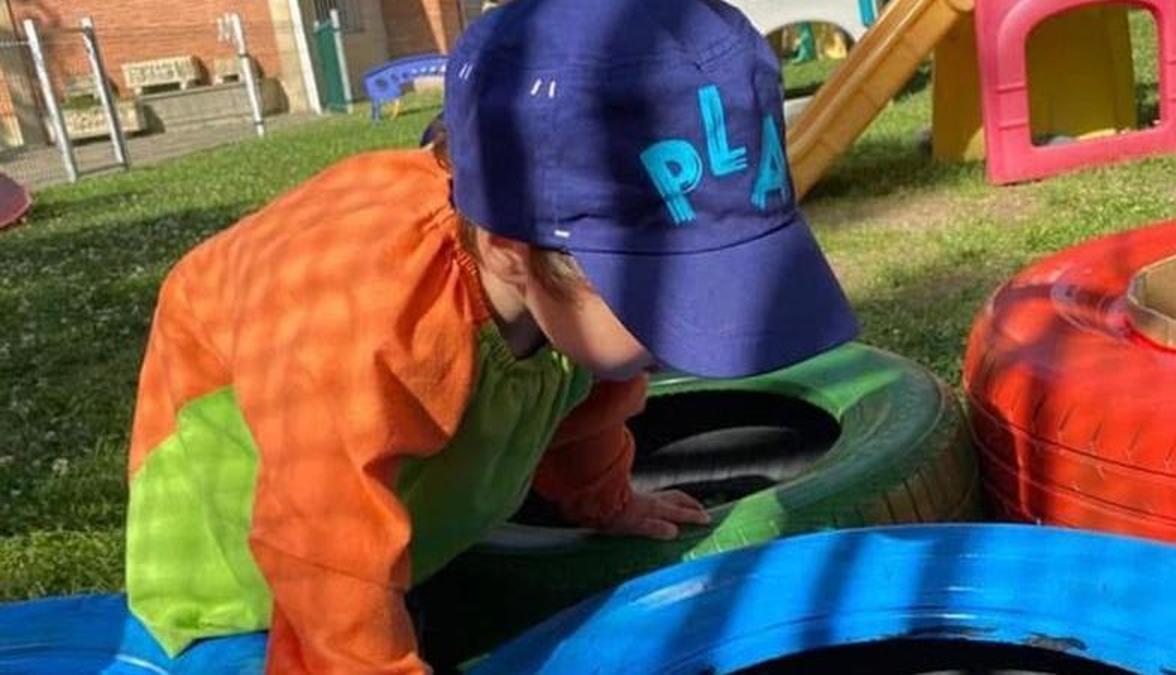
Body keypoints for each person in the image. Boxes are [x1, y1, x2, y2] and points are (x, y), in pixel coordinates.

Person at [122, 0, 858, 671]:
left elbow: (586, 393)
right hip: (247, 542)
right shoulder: (363, 323)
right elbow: (322, 555)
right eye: (658, 304)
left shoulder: (552, 281)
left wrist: (606, 498)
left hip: (381, 490)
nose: (698, 330)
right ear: (512, 250)